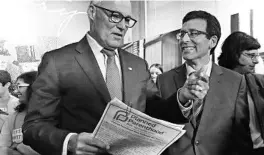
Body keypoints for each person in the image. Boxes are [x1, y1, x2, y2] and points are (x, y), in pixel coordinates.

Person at [22, 1, 150, 155]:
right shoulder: (58, 61)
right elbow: (34, 126)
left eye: (127, 20)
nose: (122, 26)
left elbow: (155, 107)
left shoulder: (138, 64)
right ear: (92, 12)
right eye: (115, 16)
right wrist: (69, 142)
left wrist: (182, 97)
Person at [146, 10, 253, 155]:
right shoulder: (163, 80)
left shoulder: (235, 81)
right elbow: (155, 128)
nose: (184, 40)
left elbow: (241, 138)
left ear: (212, 41)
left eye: (193, 33)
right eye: (182, 34)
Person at [218, 31, 264, 155]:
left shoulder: (259, 81)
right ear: (234, 55)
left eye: (257, 56)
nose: (256, 61)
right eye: (251, 55)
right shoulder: (215, 84)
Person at [0, 71, 39, 155]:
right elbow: (3, 147)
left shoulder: (54, 115)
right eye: (16, 86)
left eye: (20, 86)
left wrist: (21, 147)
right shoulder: (14, 117)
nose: (16, 90)